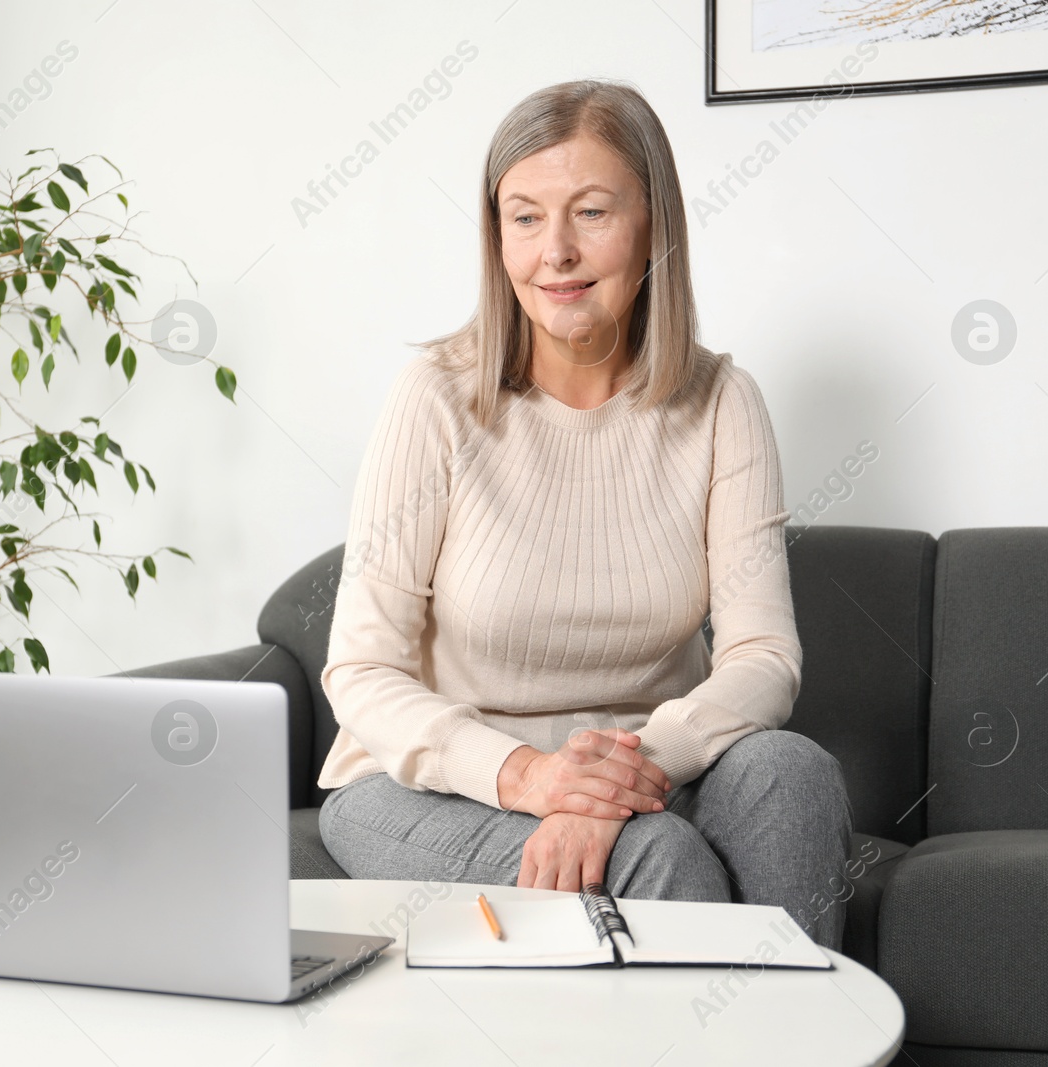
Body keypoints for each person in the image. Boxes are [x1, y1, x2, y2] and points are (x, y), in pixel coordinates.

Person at [314, 79, 853, 948]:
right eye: (524, 218)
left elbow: (763, 656)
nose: (554, 251)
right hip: (428, 784)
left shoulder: (722, 403)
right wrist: (530, 777)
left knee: (793, 774)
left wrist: (615, 779)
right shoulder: (436, 399)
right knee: (658, 858)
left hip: (651, 767)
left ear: (654, 227)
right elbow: (361, 673)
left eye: (591, 213)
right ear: (496, 238)